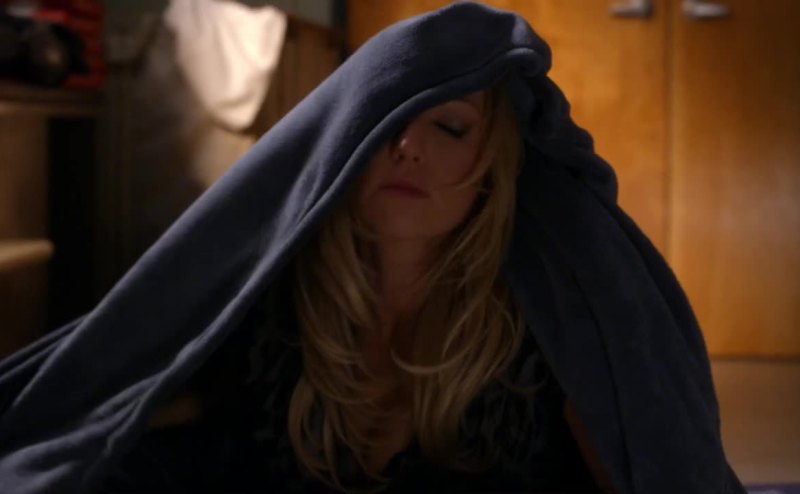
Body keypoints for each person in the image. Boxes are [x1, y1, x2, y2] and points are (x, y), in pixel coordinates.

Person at [0, 2, 744, 493]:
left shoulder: (540, 342)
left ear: (489, 168)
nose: (407, 148)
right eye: (383, 126)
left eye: (448, 127)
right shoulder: (277, 317)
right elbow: (113, 423)